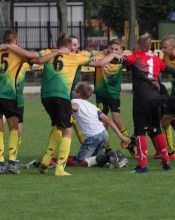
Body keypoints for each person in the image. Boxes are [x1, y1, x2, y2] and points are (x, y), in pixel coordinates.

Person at [0, 29, 69, 174]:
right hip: (9, 95)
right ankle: (11, 162)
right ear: (16, 42)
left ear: (3, 40)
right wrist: (57, 52)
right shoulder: (19, 54)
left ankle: (0, 163)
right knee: (14, 129)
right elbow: (37, 60)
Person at [38, 33, 123, 176]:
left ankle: (47, 159)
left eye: (77, 44)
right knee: (67, 130)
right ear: (70, 46)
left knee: (59, 126)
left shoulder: (51, 53)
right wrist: (112, 54)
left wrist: (103, 53)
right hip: (63, 95)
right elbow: (100, 61)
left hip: (47, 95)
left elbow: (35, 58)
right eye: (73, 44)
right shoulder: (76, 56)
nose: (75, 47)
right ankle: (60, 168)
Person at [113, 33, 175, 173]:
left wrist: (105, 57)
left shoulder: (135, 56)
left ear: (138, 46)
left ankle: (142, 166)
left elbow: (118, 61)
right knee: (155, 129)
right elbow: (168, 68)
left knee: (140, 131)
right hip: (156, 99)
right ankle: (166, 162)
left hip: (142, 99)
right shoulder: (156, 58)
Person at [66, 81, 130, 168]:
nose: (73, 91)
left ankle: (109, 155)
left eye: (75, 90)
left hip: (93, 136)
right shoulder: (92, 106)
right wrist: (121, 136)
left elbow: (74, 107)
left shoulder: (74, 101)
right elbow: (109, 121)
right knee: (96, 161)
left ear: (79, 94)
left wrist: (60, 106)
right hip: (104, 134)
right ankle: (116, 157)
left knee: (79, 163)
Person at [93, 38, 134, 157]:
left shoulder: (122, 59)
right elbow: (93, 56)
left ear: (121, 50)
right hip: (101, 95)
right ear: (107, 48)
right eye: (111, 49)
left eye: (116, 49)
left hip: (114, 95)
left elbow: (132, 58)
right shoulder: (100, 56)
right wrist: (96, 56)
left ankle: (129, 145)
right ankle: (108, 150)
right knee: (103, 123)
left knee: (117, 121)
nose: (114, 51)